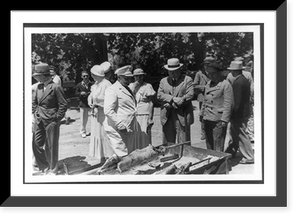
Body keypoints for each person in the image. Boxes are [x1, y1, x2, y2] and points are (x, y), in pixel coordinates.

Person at [32, 63, 68, 175]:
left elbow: (63, 104)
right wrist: (34, 112)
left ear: (43, 76)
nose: (35, 77)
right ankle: (44, 166)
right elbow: (34, 102)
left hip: (51, 120)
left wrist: (57, 118)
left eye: (37, 75)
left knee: (51, 146)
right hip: (39, 119)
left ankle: (53, 169)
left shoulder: (55, 87)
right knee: (36, 144)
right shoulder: (38, 87)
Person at [100, 65, 137, 169]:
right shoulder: (112, 90)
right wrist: (119, 123)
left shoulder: (127, 88)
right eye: (126, 78)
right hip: (117, 128)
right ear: (118, 77)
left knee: (126, 155)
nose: (129, 81)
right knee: (122, 155)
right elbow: (108, 110)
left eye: (130, 78)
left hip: (127, 128)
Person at [157, 58, 194, 145]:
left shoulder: (187, 80)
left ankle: (184, 158)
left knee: (184, 144)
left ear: (179, 69)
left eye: (174, 71)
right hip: (167, 116)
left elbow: (190, 95)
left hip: (182, 116)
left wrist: (174, 104)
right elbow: (159, 95)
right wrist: (172, 99)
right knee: (168, 144)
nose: (172, 73)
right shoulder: (163, 81)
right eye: (169, 71)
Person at [199, 62, 233, 152]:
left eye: (213, 74)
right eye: (209, 74)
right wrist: (201, 114)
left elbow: (228, 104)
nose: (211, 76)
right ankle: (211, 163)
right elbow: (205, 100)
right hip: (207, 118)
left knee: (218, 144)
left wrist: (224, 120)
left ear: (219, 73)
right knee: (209, 143)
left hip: (218, 120)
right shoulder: (209, 83)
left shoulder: (225, 85)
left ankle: (219, 165)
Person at [225, 61, 254, 164]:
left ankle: (249, 156)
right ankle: (231, 151)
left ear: (234, 71)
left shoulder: (237, 83)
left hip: (239, 114)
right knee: (235, 133)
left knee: (241, 134)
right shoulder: (245, 80)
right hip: (245, 111)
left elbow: (236, 102)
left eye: (232, 71)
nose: (231, 73)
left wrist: (232, 114)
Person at [87, 65, 114, 163]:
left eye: (93, 74)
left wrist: (97, 105)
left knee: (105, 135)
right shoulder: (97, 84)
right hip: (96, 114)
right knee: (98, 134)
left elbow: (109, 100)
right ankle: (102, 157)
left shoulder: (106, 84)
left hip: (104, 114)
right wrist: (90, 101)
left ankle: (110, 157)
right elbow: (92, 95)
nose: (92, 76)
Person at [129, 68, 156, 149]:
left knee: (145, 136)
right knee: (135, 136)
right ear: (134, 77)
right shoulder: (130, 86)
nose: (139, 79)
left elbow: (151, 103)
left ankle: (146, 154)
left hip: (144, 114)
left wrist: (150, 118)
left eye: (140, 76)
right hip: (134, 114)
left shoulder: (147, 86)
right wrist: (134, 87)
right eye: (136, 76)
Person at [192, 56, 214, 140]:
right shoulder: (199, 74)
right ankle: (203, 132)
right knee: (203, 115)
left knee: (212, 114)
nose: (207, 66)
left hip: (213, 97)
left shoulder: (214, 73)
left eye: (209, 64)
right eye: (205, 64)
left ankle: (211, 131)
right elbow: (194, 85)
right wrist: (204, 87)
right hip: (203, 97)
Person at [75, 70, 93, 138]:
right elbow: (76, 93)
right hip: (83, 103)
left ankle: (92, 131)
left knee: (92, 118)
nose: (85, 77)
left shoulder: (92, 84)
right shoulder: (79, 85)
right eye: (84, 76)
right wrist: (80, 93)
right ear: (81, 77)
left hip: (90, 103)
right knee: (83, 119)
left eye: (87, 76)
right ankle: (83, 131)